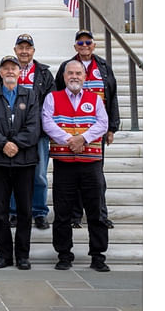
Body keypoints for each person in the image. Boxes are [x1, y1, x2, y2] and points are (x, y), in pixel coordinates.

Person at [43, 60, 110, 272]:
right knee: (62, 212)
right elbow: (47, 121)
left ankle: (98, 255)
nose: (74, 76)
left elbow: (103, 123)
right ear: (63, 76)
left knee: (95, 211)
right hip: (64, 163)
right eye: (70, 73)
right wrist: (69, 140)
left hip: (91, 164)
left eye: (78, 73)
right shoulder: (52, 97)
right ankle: (64, 254)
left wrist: (83, 139)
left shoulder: (95, 99)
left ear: (85, 76)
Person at [54, 30, 119, 229]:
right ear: (75, 46)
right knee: (72, 174)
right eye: (80, 43)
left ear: (93, 45)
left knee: (96, 176)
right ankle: (74, 216)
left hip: (96, 130)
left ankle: (100, 214)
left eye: (88, 42)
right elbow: (57, 94)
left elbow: (112, 96)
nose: (84, 46)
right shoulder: (67, 67)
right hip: (70, 128)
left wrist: (111, 128)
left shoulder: (104, 67)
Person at [0, 55, 40, 270]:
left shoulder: (31, 95)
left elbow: (34, 127)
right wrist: (3, 144)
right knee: (1, 210)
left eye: (13, 68)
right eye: (5, 68)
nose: (9, 72)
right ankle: (4, 254)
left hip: (25, 161)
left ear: (19, 72)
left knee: (25, 210)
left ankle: (23, 255)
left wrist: (15, 144)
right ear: (0, 72)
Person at [8, 34, 55, 230]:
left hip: (39, 133)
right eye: (21, 47)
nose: (24, 51)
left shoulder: (44, 73)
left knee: (39, 175)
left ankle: (39, 212)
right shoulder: (8, 70)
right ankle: (14, 211)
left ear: (33, 51)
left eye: (28, 48)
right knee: (13, 174)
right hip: (13, 133)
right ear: (15, 50)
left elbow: (51, 103)